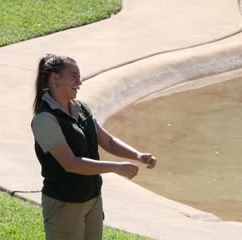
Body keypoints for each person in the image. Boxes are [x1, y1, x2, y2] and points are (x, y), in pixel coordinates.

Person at [31, 53, 157, 240]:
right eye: (74, 76)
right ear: (55, 78)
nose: (79, 82)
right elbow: (70, 163)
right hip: (64, 203)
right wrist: (115, 167)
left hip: (92, 199)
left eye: (79, 77)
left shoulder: (81, 109)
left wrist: (137, 155)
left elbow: (108, 141)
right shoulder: (45, 119)